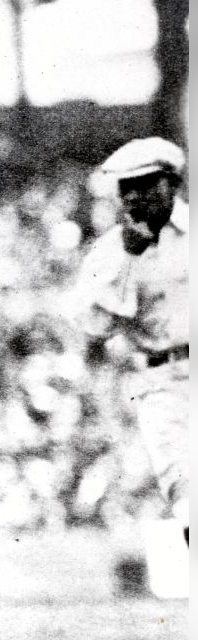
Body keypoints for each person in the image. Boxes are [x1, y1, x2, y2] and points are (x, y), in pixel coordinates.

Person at [78, 137, 189, 546]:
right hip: (162, 381)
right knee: (185, 489)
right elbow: (95, 325)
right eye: (128, 187)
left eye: (148, 184)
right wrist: (128, 258)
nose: (137, 197)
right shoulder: (108, 252)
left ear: (172, 184)